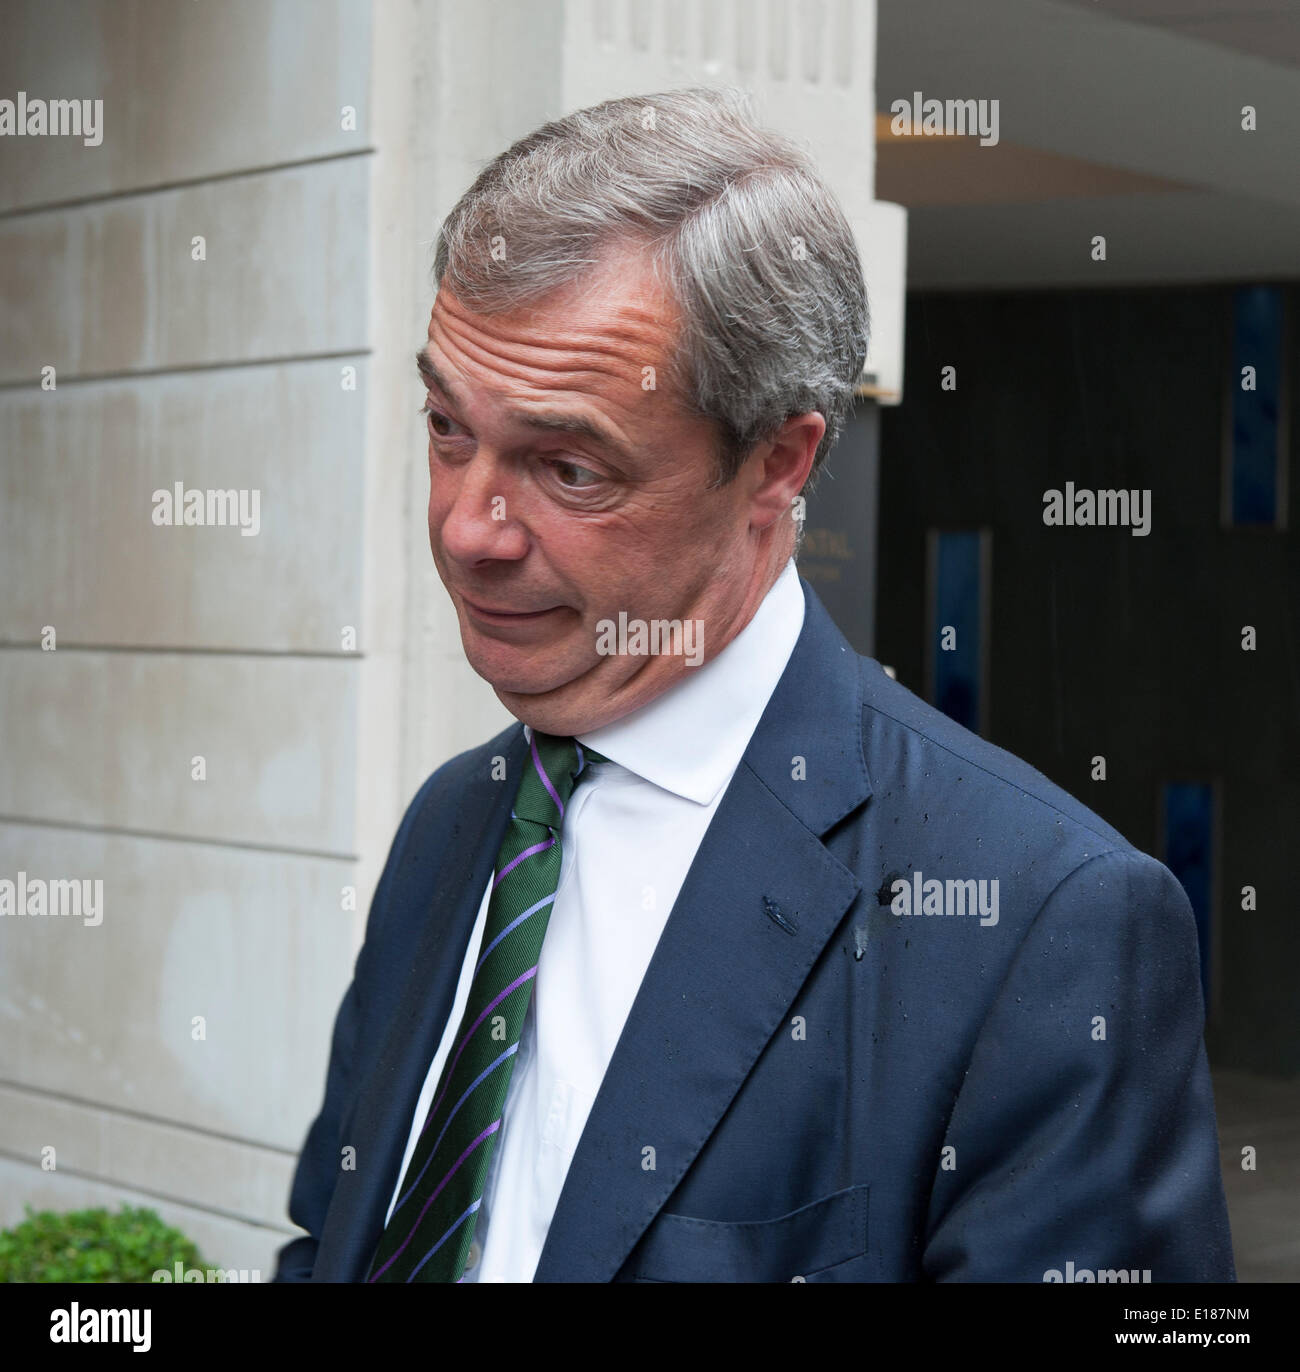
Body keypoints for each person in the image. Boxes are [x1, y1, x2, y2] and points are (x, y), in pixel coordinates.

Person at [273, 86, 1234, 1283]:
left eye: (566, 467)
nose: (468, 528)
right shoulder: (451, 824)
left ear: (778, 462)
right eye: (447, 428)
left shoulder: (1044, 926)